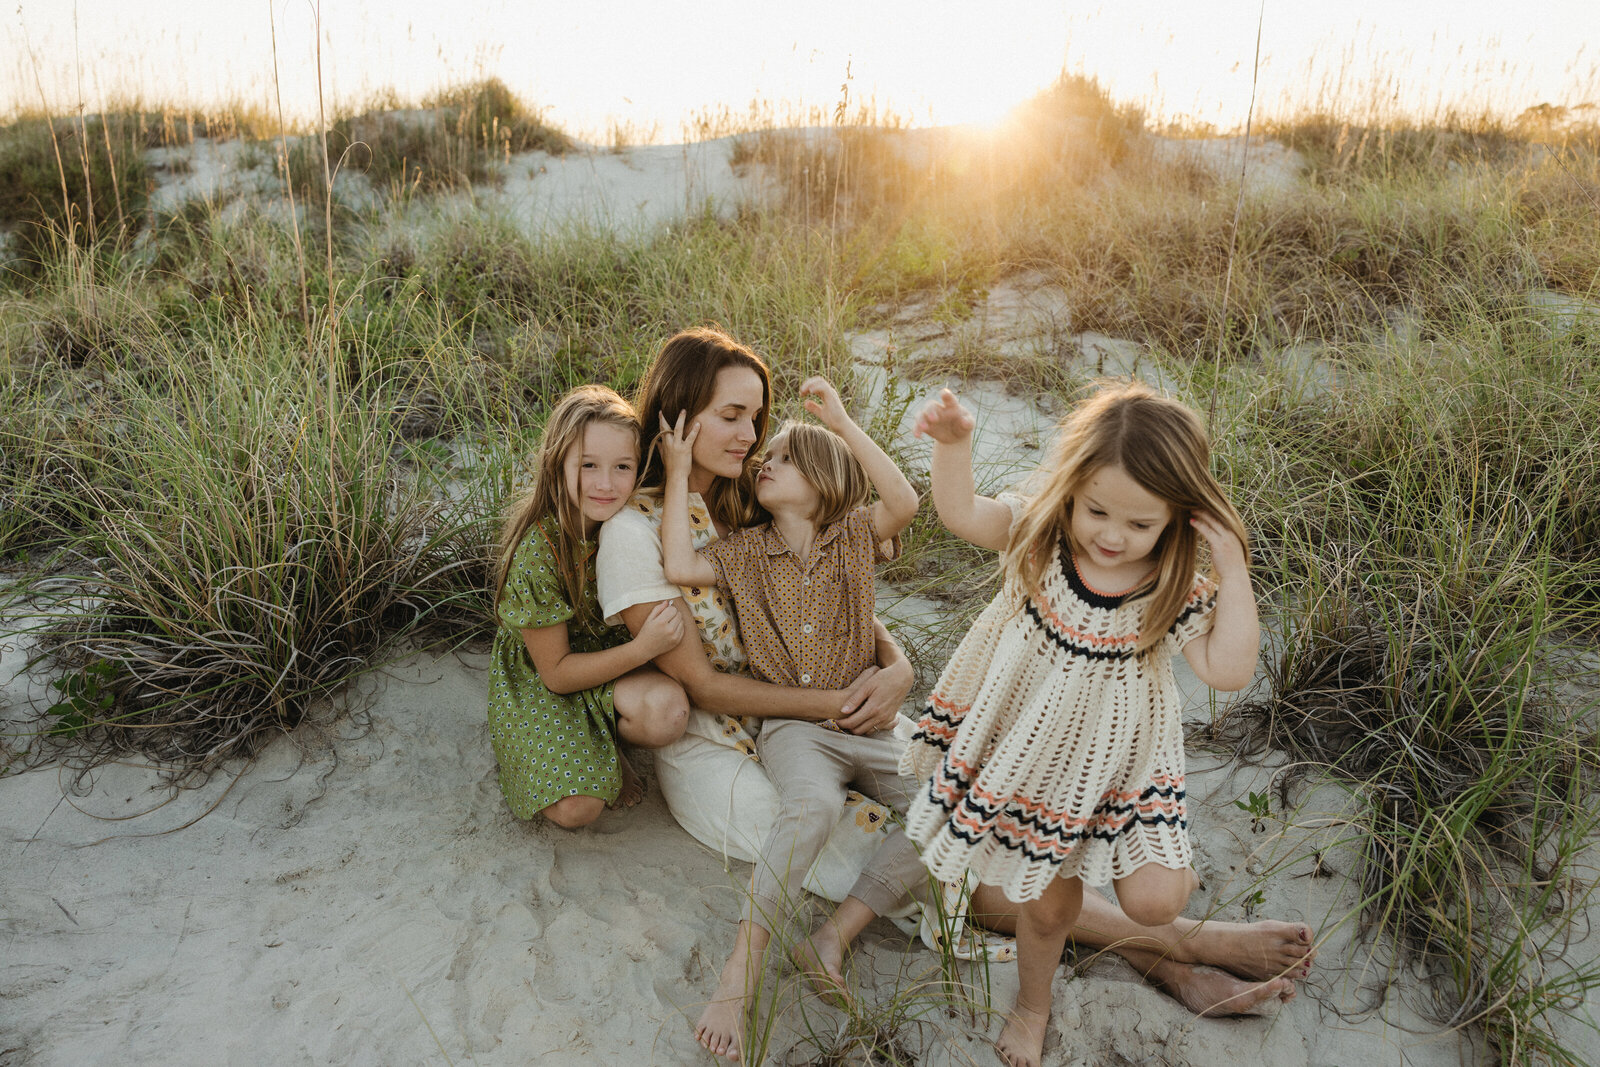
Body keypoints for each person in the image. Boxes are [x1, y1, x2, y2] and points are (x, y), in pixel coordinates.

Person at [901, 382, 1288, 1067]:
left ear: (1179, 517)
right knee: (1049, 908)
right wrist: (954, 445)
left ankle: (1170, 911)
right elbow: (961, 512)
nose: (1111, 536)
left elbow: (1229, 670)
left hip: (1122, 767)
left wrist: (1234, 569)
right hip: (1034, 764)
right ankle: (1032, 1006)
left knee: (1157, 901)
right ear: (1073, 490)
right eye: (1097, 511)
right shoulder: (1040, 541)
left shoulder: (1170, 586)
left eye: (1139, 524)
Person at [596, 329, 921, 1061]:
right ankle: (749, 972)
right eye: (731, 415)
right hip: (731, 741)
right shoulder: (634, 532)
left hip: (833, 712)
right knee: (845, 838)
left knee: (968, 811)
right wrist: (839, 701)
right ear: (680, 418)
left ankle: (1166, 944)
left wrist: (896, 669)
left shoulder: (759, 502)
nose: (751, 437)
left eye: (757, 418)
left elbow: (844, 601)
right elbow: (703, 684)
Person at [487, 385, 688, 830]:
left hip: (607, 664)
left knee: (667, 713)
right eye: (588, 465)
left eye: (622, 467)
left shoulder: (633, 525)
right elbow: (557, 674)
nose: (605, 484)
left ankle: (600, 741)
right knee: (576, 810)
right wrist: (643, 649)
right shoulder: (538, 552)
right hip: (544, 677)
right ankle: (574, 749)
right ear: (558, 464)